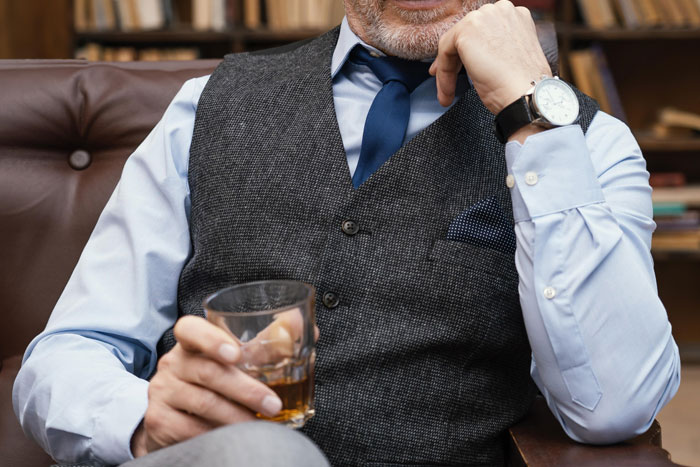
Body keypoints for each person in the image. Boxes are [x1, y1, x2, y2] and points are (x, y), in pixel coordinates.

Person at [13, 1, 680, 466]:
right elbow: (65, 356)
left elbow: (613, 405)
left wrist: (532, 114)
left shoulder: (584, 144)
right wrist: (142, 420)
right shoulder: (202, 108)